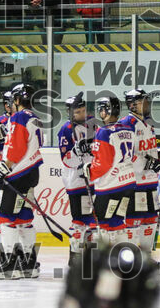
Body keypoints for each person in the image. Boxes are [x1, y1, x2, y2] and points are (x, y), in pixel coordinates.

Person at [0, 83, 44, 279]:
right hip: (31, 173)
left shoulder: (18, 117)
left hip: (17, 174)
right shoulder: (35, 117)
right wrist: (6, 133)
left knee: (5, 217)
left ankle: (9, 265)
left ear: (18, 99)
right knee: (23, 217)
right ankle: (29, 264)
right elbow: (30, 142)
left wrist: (4, 167)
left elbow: (17, 148)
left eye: (14, 99)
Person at [119, 89, 160, 257]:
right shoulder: (126, 124)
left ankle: (146, 259)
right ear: (132, 105)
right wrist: (148, 163)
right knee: (133, 222)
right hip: (134, 183)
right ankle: (129, 260)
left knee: (150, 220)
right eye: (143, 101)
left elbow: (149, 152)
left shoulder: (148, 123)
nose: (147, 104)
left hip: (150, 182)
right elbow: (125, 154)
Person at [55, 93, 100, 267]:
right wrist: (77, 150)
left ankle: (91, 255)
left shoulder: (93, 124)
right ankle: (75, 256)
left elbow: (101, 148)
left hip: (95, 179)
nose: (81, 114)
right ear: (70, 113)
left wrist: (91, 148)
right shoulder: (65, 130)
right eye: (77, 112)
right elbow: (67, 160)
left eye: (83, 110)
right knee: (80, 221)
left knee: (94, 221)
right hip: (76, 182)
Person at [86, 95, 136, 246]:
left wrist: (89, 171)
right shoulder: (128, 129)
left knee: (99, 222)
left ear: (106, 111)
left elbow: (103, 163)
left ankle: (102, 258)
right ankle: (122, 255)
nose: (100, 113)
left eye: (101, 109)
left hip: (110, 186)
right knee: (117, 221)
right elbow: (132, 155)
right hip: (128, 184)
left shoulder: (104, 132)